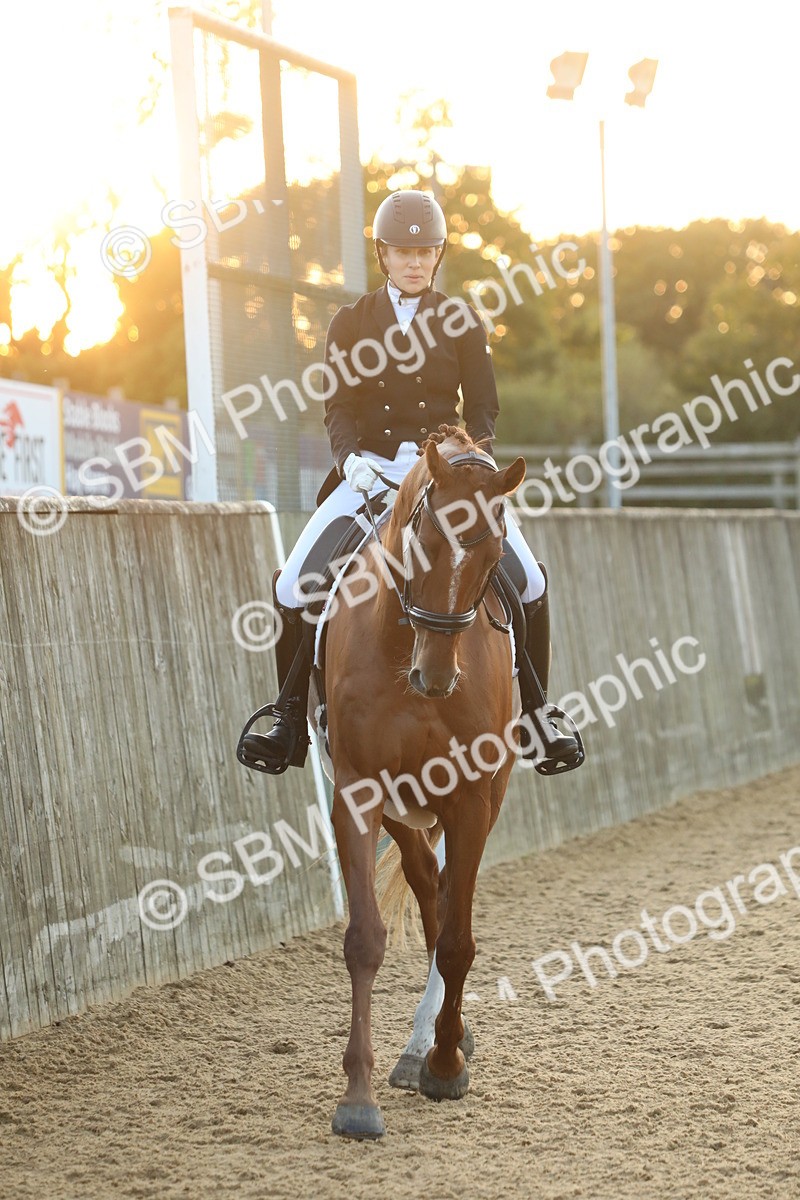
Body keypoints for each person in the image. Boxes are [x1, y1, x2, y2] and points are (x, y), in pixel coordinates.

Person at [239, 189, 580, 774]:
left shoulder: (463, 320)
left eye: (425, 252)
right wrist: (350, 462)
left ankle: (538, 715)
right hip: (372, 472)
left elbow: (484, 412)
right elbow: (338, 407)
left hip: (449, 475)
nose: (415, 262)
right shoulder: (351, 322)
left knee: (528, 582)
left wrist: (474, 465)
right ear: (384, 255)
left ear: (439, 256)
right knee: (294, 585)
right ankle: (289, 718)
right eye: (403, 252)